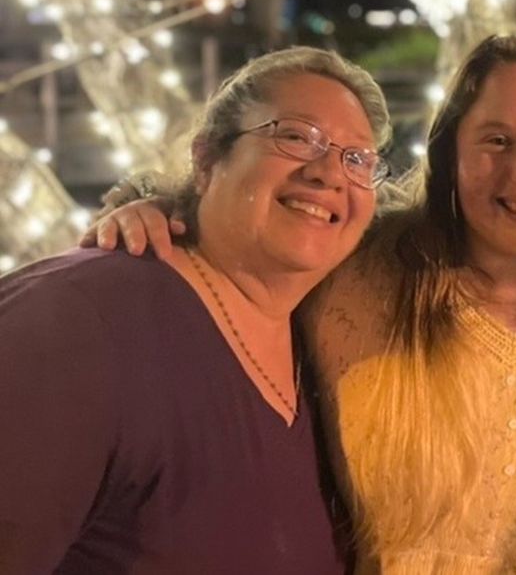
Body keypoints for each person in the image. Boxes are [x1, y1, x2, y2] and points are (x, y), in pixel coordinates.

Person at [85, 36, 516, 574]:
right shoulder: (362, 271)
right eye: (496, 140)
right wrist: (155, 207)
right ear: (449, 155)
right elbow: (265, 226)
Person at [0, 47, 392, 574]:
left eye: (358, 159)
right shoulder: (78, 322)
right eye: (297, 136)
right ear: (207, 161)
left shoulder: (330, 347)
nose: (329, 174)